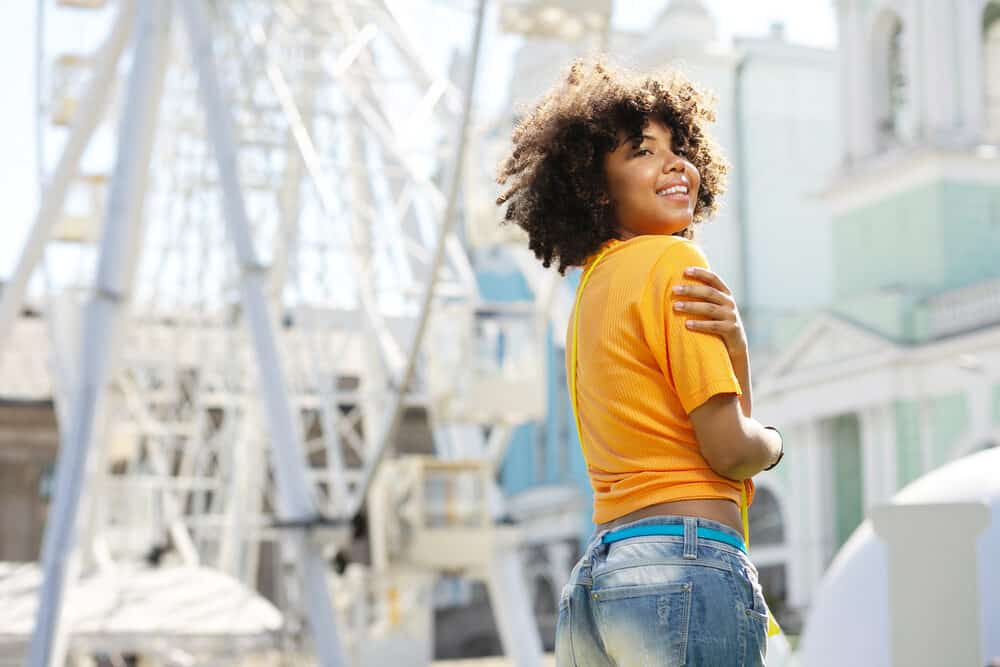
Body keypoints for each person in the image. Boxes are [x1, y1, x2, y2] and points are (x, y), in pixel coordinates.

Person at [496, 59, 783, 666]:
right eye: (643, 152)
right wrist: (775, 444)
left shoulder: (594, 290)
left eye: (681, 148)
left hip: (600, 579)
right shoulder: (676, 266)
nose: (676, 164)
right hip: (684, 565)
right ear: (596, 187)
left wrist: (735, 352)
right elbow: (730, 452)